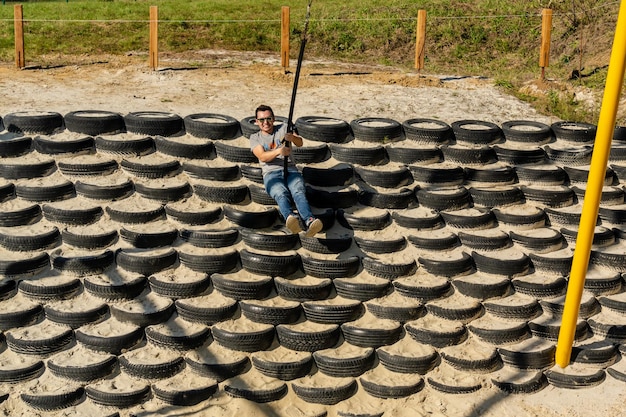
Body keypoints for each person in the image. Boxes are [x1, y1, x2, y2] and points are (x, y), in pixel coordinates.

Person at [250, 104, 323, 236]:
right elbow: (262, 156)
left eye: (269, 118)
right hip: (271, 173)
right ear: (256, 122)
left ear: (274, 118)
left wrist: (292, 138)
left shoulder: (284, 127)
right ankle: (290, 217)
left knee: (298, 190)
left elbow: (300, 143)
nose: (266, 122)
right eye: (262, 120)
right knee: (280, 192)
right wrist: (279, 151)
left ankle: (310, 220)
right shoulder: (255, 138)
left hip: (291, 169)